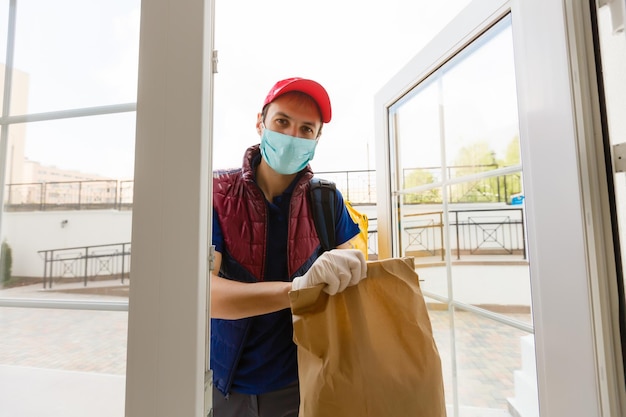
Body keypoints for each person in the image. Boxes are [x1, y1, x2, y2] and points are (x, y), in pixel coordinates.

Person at [210, 77, 367, 417]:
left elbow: (358, 274)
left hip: (304, 383)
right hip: (225, 385)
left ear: (317, 138)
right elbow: (205, 296)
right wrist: (298, 290)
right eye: (282, 122)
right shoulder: (216, 194)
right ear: (260, 123)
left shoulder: (326, 201)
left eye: (306, 129)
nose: (292, 137)